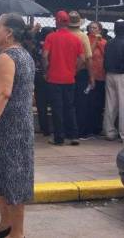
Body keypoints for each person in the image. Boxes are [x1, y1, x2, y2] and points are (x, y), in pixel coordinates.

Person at [0, 13, 35, 238]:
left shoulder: (7, 57)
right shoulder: (23, 55)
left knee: (12, 177)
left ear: (9, 33)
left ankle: (17, 233)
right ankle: (5, 224)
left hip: (8, 128)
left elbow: (3, 93)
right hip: (16, 126)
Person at [43, 11, 84, 146]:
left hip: (54, 78)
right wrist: (74, 71)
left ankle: (59, 137)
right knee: (70, 107)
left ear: (58, 21)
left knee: (57, 108)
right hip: (69, 78)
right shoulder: (76, 39)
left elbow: (45, 56)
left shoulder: (51, 37)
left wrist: (46, 70)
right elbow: (82, 59)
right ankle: (74, 136)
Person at [67, 11, 95, 139]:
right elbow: (88, 58)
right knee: (81, 102)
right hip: (81, 72)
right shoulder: (83, 37)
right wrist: (91, 76)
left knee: (67, 102)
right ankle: (80, 131)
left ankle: (67, 130)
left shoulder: (63, 35)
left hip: (65, 70)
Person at [87, 21, 107, 135]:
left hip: (102, 76)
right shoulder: (87, 39)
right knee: (90, 103)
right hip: (91, 75)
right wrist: (95, 42)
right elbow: (88, 53)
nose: (92, 30)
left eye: (95, 28)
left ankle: (97, 127)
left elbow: (106, 55)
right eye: (91, 27)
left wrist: (100, 43)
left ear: (100, 30)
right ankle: (90, 127)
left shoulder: (104, 42)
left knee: (99, 103)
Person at [34, 27, 54, 137]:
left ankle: (44, 128)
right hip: (51, 75)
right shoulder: (52, 44)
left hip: (38, 76)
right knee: (54, 102)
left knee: (41, 104)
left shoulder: (37, 45)